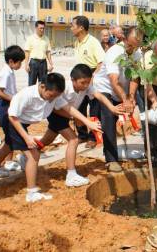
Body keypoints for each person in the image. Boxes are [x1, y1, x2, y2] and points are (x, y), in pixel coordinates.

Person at [7, 73, 101, 202]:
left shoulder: (53, 96)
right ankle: (31, 192)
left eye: (55, 97)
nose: (52, 100)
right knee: (34, 155)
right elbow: (12, 116)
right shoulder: (26, 95)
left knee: (8, 145)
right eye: (51, 96)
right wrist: (27, 137)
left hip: (24, 122)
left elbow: (68, 108)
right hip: (15, 123)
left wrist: (87, 121)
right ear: (43, 86)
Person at [37, 64, 125, 186]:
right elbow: (60, 108)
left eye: (88, 82)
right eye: (83, 82)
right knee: (73, 139)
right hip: (56, 114)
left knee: (47, 139)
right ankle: (71, 175)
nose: (85, 86)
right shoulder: (65, 88)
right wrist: (83, 120)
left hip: (68, 114)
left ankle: (31, 151)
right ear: (73, 79)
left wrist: (112, 107)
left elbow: (99, 95)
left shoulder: (87, 87)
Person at [93, 26, 141, 172]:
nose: (132, 49)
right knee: (108, 118)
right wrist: (125, 100)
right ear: (124, 39)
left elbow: (134, 76)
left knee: (116, 120)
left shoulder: (137, 53)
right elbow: (113, 80)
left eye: (136, 46)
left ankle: (110, 151)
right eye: (130, 45)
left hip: (121, 89)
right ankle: (111, 159)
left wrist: (131, 97)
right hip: (105, 88)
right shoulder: (115, 52)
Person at [0, 45, 26, 180]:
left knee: (10, 137)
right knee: (11, 137)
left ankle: (7, 161)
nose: (20, 65)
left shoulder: (9, 71)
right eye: (19, 62)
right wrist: (14, 98)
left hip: (9, 105)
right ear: (11, 61)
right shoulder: (6, 72)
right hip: (5, 106)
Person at [72, 15, 106, 146]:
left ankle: (93, 137)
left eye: (73, 26)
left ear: (81, 28)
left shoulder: (93, 42)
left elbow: (101, 62)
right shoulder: (77, 42)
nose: (71, 28)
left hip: (90, 77)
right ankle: (82, 134)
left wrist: (92, 78)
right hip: (79, 77)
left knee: (94, 110)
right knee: (78, 107)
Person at [24, 20, 53, 86]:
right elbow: (27, 52)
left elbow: (48, 52)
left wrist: (51, 64)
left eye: (43, 28)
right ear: (36, 28)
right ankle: (31, 96)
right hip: (33, 63)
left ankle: (41, 96)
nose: (42, 30)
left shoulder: (46, 39)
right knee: (32, 83)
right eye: (40, 28)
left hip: (43, 63)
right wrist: (26, 64)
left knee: (43, 83)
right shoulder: (30, 38)